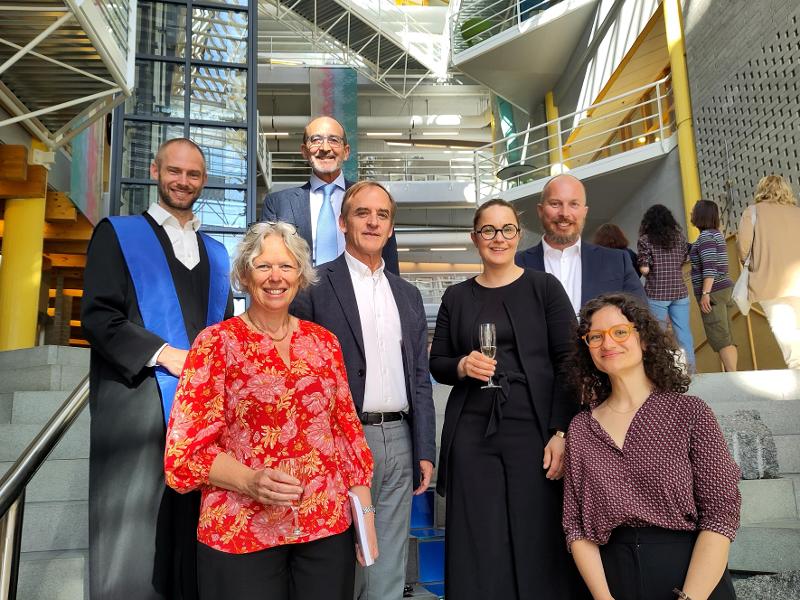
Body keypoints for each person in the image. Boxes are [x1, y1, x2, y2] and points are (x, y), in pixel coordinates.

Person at [164, 221, 377, 600]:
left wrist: (366, 520)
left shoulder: (324, 343)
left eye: (286, 266)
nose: (275, 277)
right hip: (240, 532)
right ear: (245, 275)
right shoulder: (215, 344)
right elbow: (185, 453)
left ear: (300, 275)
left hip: (324, 529)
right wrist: (250, 481)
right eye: (263, 266)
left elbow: (347, 435)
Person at [81, 138, 233, 600]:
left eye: (193, 174)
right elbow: (99, 316)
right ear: (154, 171)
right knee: (136, 533)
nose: (182, 181)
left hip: (202, 414)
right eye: (175, 171)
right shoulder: (117, 233)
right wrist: (167, 354)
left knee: (195, 525)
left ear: (203, 180)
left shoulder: (217, 253)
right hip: (138, 403)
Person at [430, 198, 585, 599]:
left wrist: (561, 431)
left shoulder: (544, 287)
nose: (498, 238)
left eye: (507, 230)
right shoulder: (456, 296)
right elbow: (438, 363)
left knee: (537, 532)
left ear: (519, 234)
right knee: (477, 535)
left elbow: (570, 359)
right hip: (471, 431)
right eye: (488, 231)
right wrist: (463, 366)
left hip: (532, 427)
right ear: (475, 238)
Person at [291, 181, 436, 600]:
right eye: (362, 213)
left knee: (388, 560)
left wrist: (424, 447)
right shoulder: (314, 287)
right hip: (339, 440)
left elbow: (420, 378)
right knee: (337, 556)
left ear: (390, 228)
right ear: (342, 222)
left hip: (401, 440)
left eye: (382, 215)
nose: (373, 222)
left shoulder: (407, 296)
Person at [564, 293, 741, 600]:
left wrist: (690, 598)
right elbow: (576, 527)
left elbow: (720, 515)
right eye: (595, 336)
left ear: (644, 340)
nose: (608, 344)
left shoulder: (690, 412)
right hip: (611, 579)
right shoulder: (581, 429)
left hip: (690, 575)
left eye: (620, 332)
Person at [261, 115, 399, 274]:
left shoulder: (373, 199)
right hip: (298, 296)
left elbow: (389, 265)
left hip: (359, 295)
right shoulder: (278, 203)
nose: (325, 148)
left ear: (346, 152)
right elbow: (265, 261)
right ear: (304, 151)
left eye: (334, 140)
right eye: (316, 140)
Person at [515, 174, 645, 313]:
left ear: (584, 212)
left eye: (574, 204)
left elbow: (642, 318)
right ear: (540, 211)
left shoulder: (617, 262)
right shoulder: (515, 264)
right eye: (555, 204)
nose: (564, 213)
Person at [737, 174, 800, 369]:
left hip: (769, 283)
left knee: (787, 335)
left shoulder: (753, 212)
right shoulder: (797, 213)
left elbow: (743, 248)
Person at [637, 204, 695, 372]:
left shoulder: (645, 240)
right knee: (683, 333)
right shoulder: (679, 237)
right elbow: (685, 258)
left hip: (657, 294)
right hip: (679, 292)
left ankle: (660, 372)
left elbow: (644, 269)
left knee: (657, 336)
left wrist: (650, 268)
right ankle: (691, 371)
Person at [689, 200, 737, 372]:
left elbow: (710, 267)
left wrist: (705, 293)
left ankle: (732, 377)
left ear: (701, 215)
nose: (690, 213)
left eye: (693, 210)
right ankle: (733, 374)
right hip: (723, 289)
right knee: (727, 334)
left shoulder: (705, 238)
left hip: (713, 291)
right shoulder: (716, 235)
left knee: (719, 336)